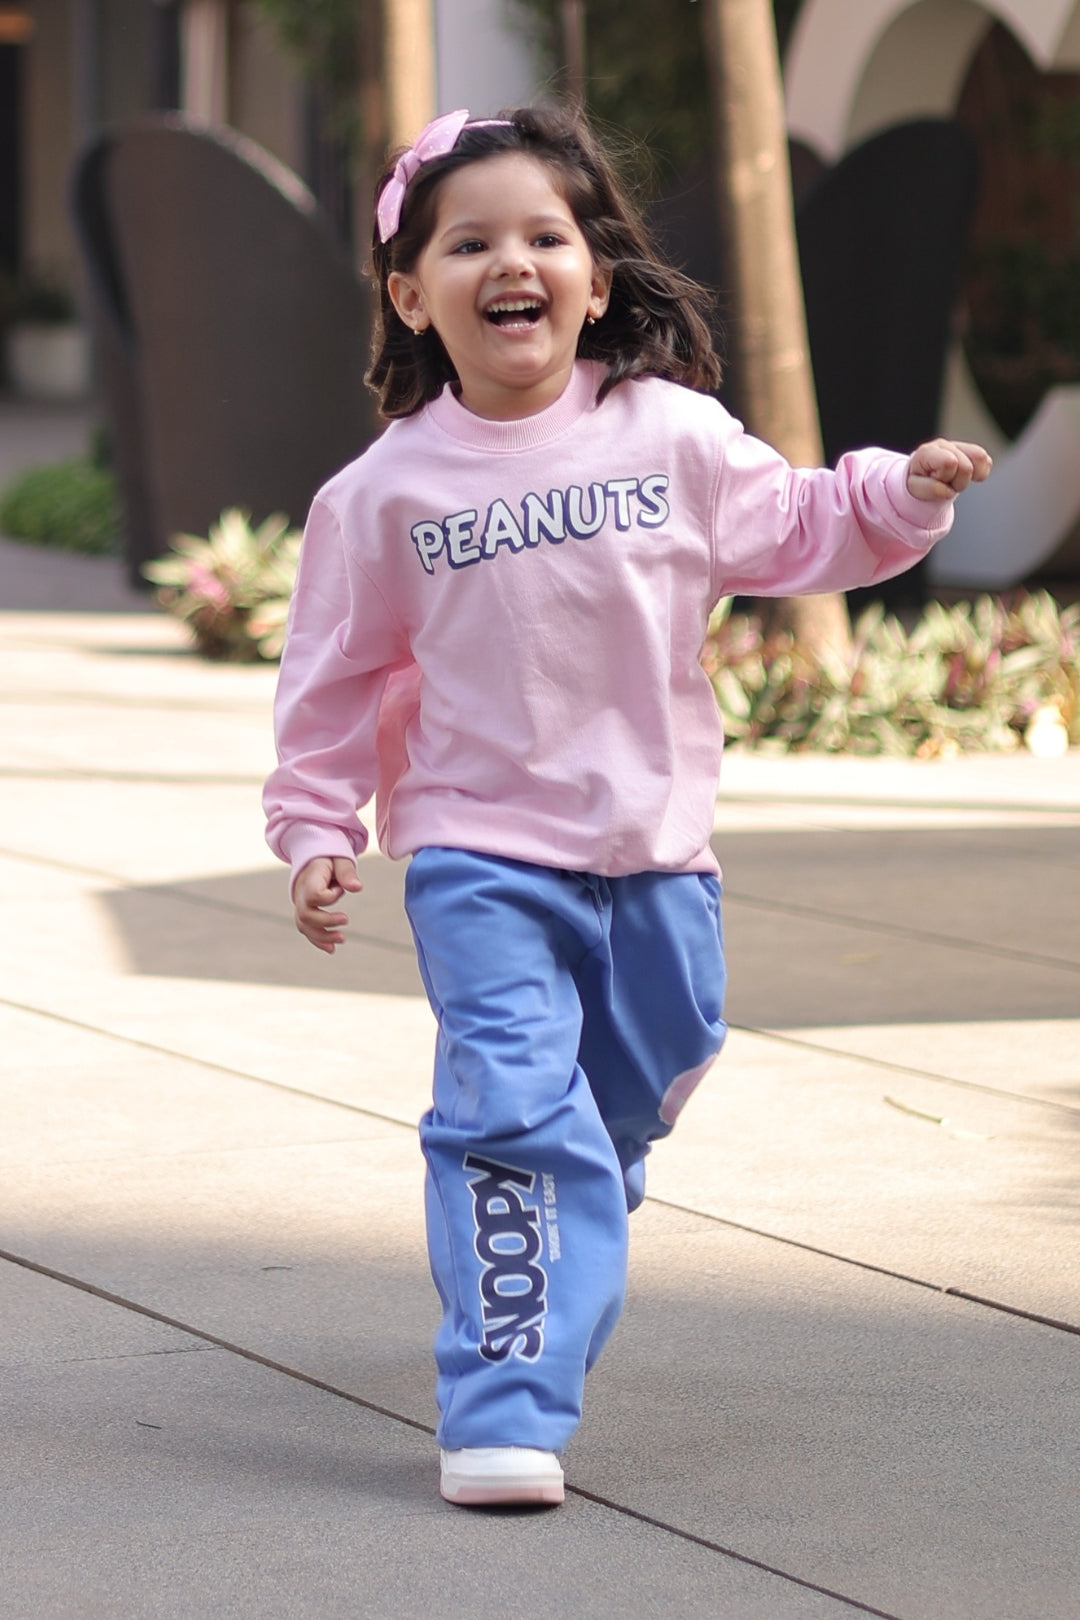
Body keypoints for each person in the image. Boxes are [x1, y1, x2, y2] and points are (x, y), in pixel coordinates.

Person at [263, 103, 992, 1510]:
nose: (511, 263)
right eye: (468, 244)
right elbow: (333, 677)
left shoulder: (669, 435)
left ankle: (576, 1199)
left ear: (594, 277)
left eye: (545, 236)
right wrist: (314, 828)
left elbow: (795, 526)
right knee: (506, 1114)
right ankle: (503, 1405)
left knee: (651, 1069)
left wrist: (898, 494)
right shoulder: (383, 494)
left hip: (655, 853)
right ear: (412, 297)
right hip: (480, 854)